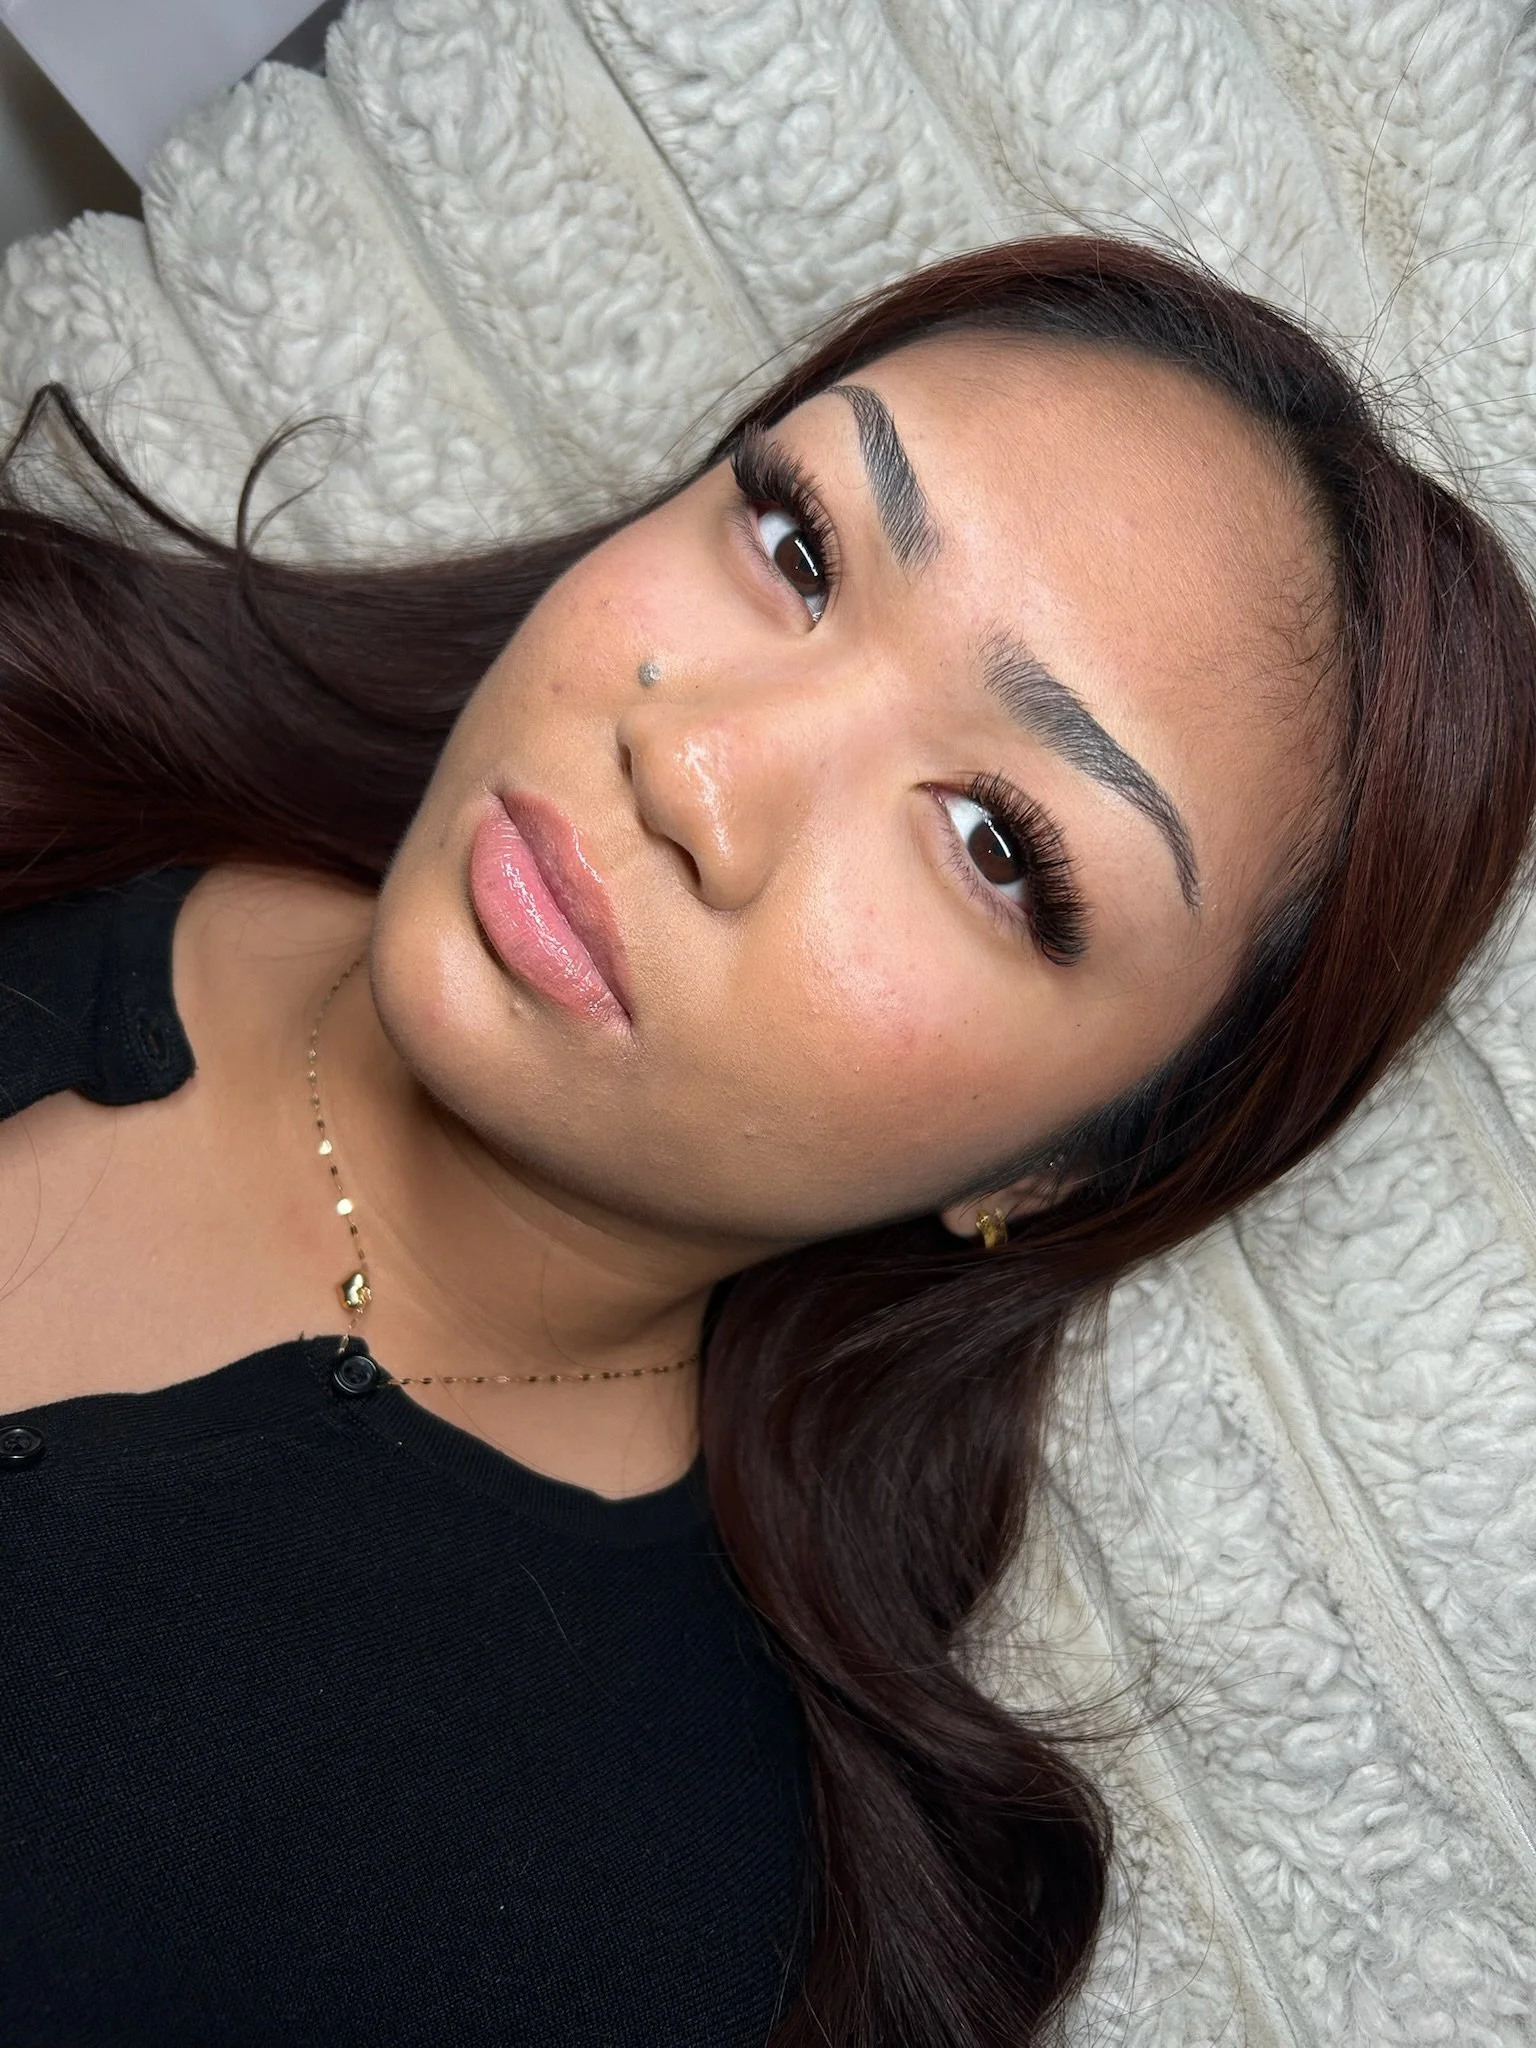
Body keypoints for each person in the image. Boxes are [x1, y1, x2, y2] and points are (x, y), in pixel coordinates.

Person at [0, 234, 1532, 2048]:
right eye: (799, 544)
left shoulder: (605, 1918)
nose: (699, 769)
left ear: (1055, 1172)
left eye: (993, 844)